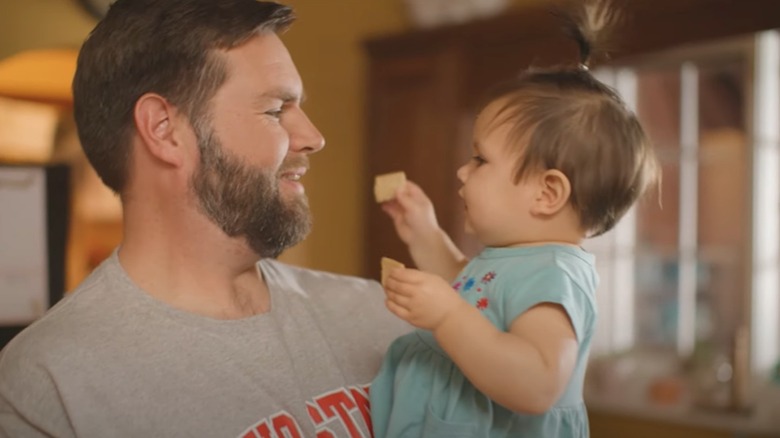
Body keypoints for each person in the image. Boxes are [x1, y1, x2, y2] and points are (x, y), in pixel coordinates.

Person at [0, 1, 410, 437]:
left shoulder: (382, 317)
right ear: (163, 129)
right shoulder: (49, 382)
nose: (313, 138)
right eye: (275, 110)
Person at [369, 2, 660, 437]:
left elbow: (538, 383)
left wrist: (446, 316)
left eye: (480, 159)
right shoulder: (511, 260)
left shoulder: (554, 275)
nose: (462, 171)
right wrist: (425, 234)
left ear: (546, 194)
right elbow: (475, 297)